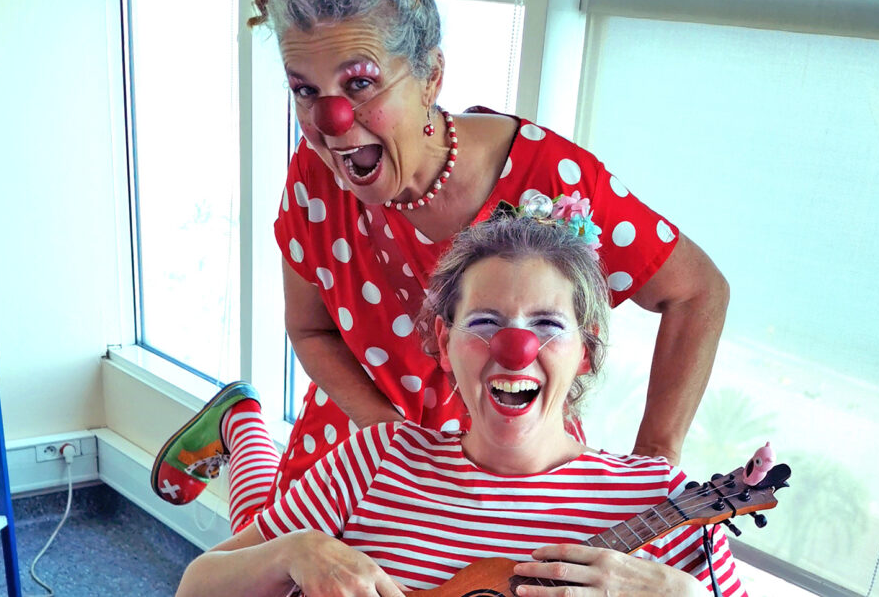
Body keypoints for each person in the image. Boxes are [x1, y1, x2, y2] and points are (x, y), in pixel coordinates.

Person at [151, 0, 730, 538]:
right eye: (305, 90)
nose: (331, 120)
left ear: (430, 76)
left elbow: (697, 292)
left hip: (510, 459)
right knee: (265, 557)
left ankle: (239, 419)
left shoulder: (551, 178)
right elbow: (311, 329)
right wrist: (390, 442)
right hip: (365, 438)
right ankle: (243, 423)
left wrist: (652, 470)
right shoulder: (315, 176)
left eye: (359, 83)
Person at [174, 213, 745, 597]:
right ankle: (242, 421)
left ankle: (240, 421)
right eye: (486, 322)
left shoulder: (664, 501)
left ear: (585, 352)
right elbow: (196, 586)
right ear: (445, 344)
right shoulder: (379, 457)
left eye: (547, 325)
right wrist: (293, 552)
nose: (515, 350)